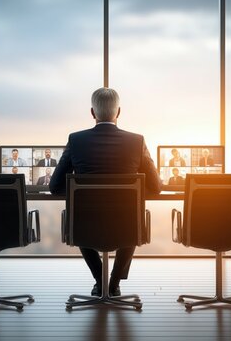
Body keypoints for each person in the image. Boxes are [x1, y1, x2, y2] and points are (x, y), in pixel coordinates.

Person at [50, 87, 161, 297]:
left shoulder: (76, 140)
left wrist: (80, 193)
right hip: (127, 227)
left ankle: (101, 280)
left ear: (92, 113)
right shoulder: (136, 141)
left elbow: (54, 186)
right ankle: (114, 283)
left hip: (84, 227)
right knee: (133, 216)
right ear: (118, 112)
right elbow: (156, 187)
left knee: (78, 216)